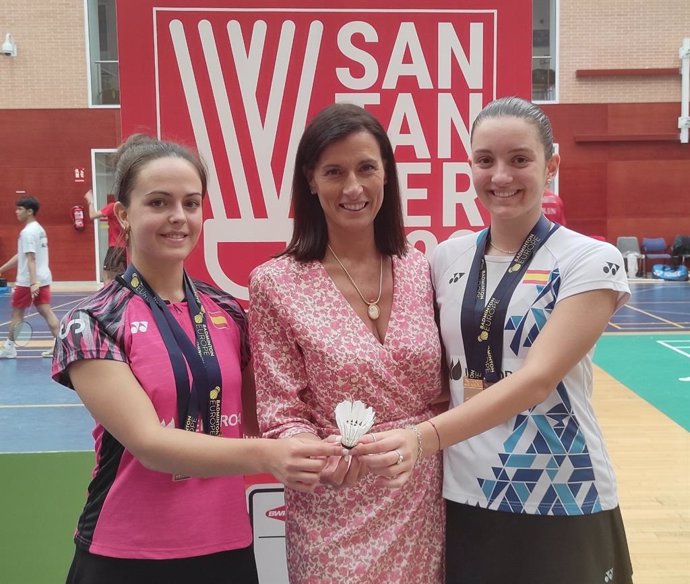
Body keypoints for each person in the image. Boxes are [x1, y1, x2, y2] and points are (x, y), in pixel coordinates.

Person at [352, 97, 634, 584]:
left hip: (563, 486)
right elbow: (433, 369)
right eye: (485, 160)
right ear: (471, 167)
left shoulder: (591, 260)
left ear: (552, 165)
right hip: (468, 490)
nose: (501, 176)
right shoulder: (446, 256)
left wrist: (420, 439)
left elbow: (537, 380)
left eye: (519, 159)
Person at [51, 135, 342, 584]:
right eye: (158, 203)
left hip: (226, 548)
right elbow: (149, 444)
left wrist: (338, 442)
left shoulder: (227, 311)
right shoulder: (95, 320)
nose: (178, 218)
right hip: (125, 555)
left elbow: (262, 416)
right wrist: (273, 455)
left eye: (191, 203)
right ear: (124, 215)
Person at [248, 103, 445, 583]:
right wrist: (320, 457)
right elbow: (281, 412)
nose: (353, 188)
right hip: (332, 504)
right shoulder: (275, 283)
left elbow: (444, 392)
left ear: (386, 175)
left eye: (366, 168)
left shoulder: (424, 268)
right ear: (311, 181)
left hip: (420, 494)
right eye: (334, 172)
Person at [0, 195, 60, 359]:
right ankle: (62, 347)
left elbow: (31, 259)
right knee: (47, 312)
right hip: (43, 278)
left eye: (20, 209)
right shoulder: (39, 230)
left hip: (28, 281)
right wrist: (2, 269)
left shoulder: (27, 232)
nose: (16, 212)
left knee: (17, 315)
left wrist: (33, 283)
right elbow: (22, 255)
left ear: (30, 211)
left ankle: (9, 348)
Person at [84, 189, 127, 282]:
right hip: (127, 248)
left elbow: (92, 215)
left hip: (115, 247)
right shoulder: (128, 209)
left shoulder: (113, 207)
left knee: (107, 276)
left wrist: (90, 201)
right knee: (128, 276)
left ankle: (109, 296)